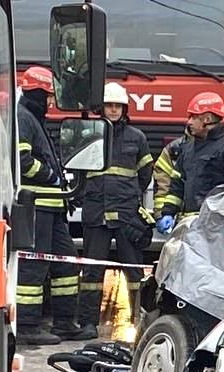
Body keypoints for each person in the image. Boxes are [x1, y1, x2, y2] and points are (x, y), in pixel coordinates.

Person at [15, 66, 90, 345]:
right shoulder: (23, 118)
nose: (49, 102)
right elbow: (21, 160)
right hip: (36, 206)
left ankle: (64, 323)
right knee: (35, 266)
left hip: (52, 206)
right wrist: (50, 175)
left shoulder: (34, 119)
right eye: (46, 96)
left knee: (67, 263)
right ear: (35, 92)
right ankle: (26, 325)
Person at [78, 82, 154, 334]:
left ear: (124, 108)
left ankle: (138, 321)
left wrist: (129, 197)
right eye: (109, 105)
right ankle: (88, 322)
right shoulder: (89, 134)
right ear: (102, 108)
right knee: (91, 272)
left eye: (117, 106)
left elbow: (145, 175)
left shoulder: (137, 138)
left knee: (134, 272)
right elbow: (77, 169)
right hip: (96, 211)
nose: (113, 110)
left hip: (126, 214)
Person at [154, 92, 224, 234]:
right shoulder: (188, 148)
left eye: (194, 117)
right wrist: (168, 213)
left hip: (216, 227)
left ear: (207, 119)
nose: (189, 122)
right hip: (188, 227)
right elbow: (176, 186)